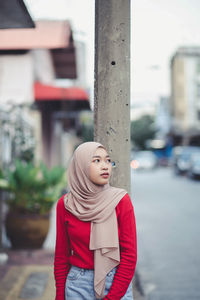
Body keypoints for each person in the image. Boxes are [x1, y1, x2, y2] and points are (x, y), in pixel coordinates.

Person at [54, 141, 137, 300]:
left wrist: (112, 296)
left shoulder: (121, 200)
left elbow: (129, 255)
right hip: (78, 284)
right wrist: (59, 296)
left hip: (116, 282)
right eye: (96, 160)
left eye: (107, 160)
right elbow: (61, 256)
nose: (105, 166)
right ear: (80, 166)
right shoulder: (65, 205)